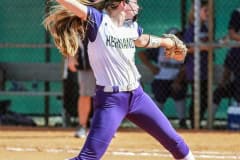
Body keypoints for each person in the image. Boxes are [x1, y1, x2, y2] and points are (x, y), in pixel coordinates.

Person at [44, 0, 195, 159]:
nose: (137, 6)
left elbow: (142, 40)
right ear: (123, 3)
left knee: (175, 142)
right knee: (89, 157)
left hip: (137, 96)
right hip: (111, 100)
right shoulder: (99, 20)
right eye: (134, 2)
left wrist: (167, 42)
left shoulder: (131, 26)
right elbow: (72, 5)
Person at [138, 27, 188, 129]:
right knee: (159, 95)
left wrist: (178, 81)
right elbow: (141, 54)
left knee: (179, 93)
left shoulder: (183, 49)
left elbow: (185, 68)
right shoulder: (160, 48)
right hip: (161, 80)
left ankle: (182, 121)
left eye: (179, 36)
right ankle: (155, 122)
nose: (178, 38)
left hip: (176, 79)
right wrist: (152, 67)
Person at [183, 0, 209, 129]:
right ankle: (194, 124)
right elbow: (186, 48)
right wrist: (203, 48)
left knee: (205, 99)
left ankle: (198, 122)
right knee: (197, 97)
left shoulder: (205, 27)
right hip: (194, 68)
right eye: (205, 11)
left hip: (205, 69)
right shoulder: (191, 28)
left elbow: (209, 44)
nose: (208, 13)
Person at [212, 8, 240, 118]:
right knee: (219, 92)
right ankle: (209, 122)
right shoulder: (235, 51)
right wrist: (224, 82)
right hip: (236, 84)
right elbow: (228, 68)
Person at [67, 36, 96, 138]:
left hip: (107, 64)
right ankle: (82, 126)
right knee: (85, 94)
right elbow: (73, 37)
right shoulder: (79, 21)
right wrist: (71, 57)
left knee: (108, 95)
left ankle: (106, 127)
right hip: (86, 63)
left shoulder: (109, 20)